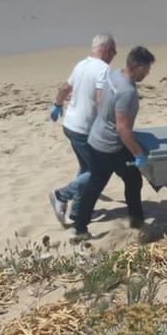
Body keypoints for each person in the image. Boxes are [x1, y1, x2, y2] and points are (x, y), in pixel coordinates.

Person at [72, 46, 156, 241]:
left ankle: (80, 227)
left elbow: (100, 98)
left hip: (95, 138)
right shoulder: (127, 92)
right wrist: (138, 155)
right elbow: (122, 129)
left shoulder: (114, 75)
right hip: (109, 147)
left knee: (98, 184)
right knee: (131, 180)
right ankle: (136, 224)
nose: (148, 72)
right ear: (139, 66)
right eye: (148, 68)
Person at [48, 33, 117, 226]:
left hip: (70, 125)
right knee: (99, 171)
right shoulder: (104, 70)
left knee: (86, 168)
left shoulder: (81, 64)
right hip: (84, 129)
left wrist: (57, 105)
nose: (114, 56)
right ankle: (61, 195)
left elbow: (64, 88)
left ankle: (77, 212)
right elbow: (99, 99)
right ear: (107, 50)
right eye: (114, 52)